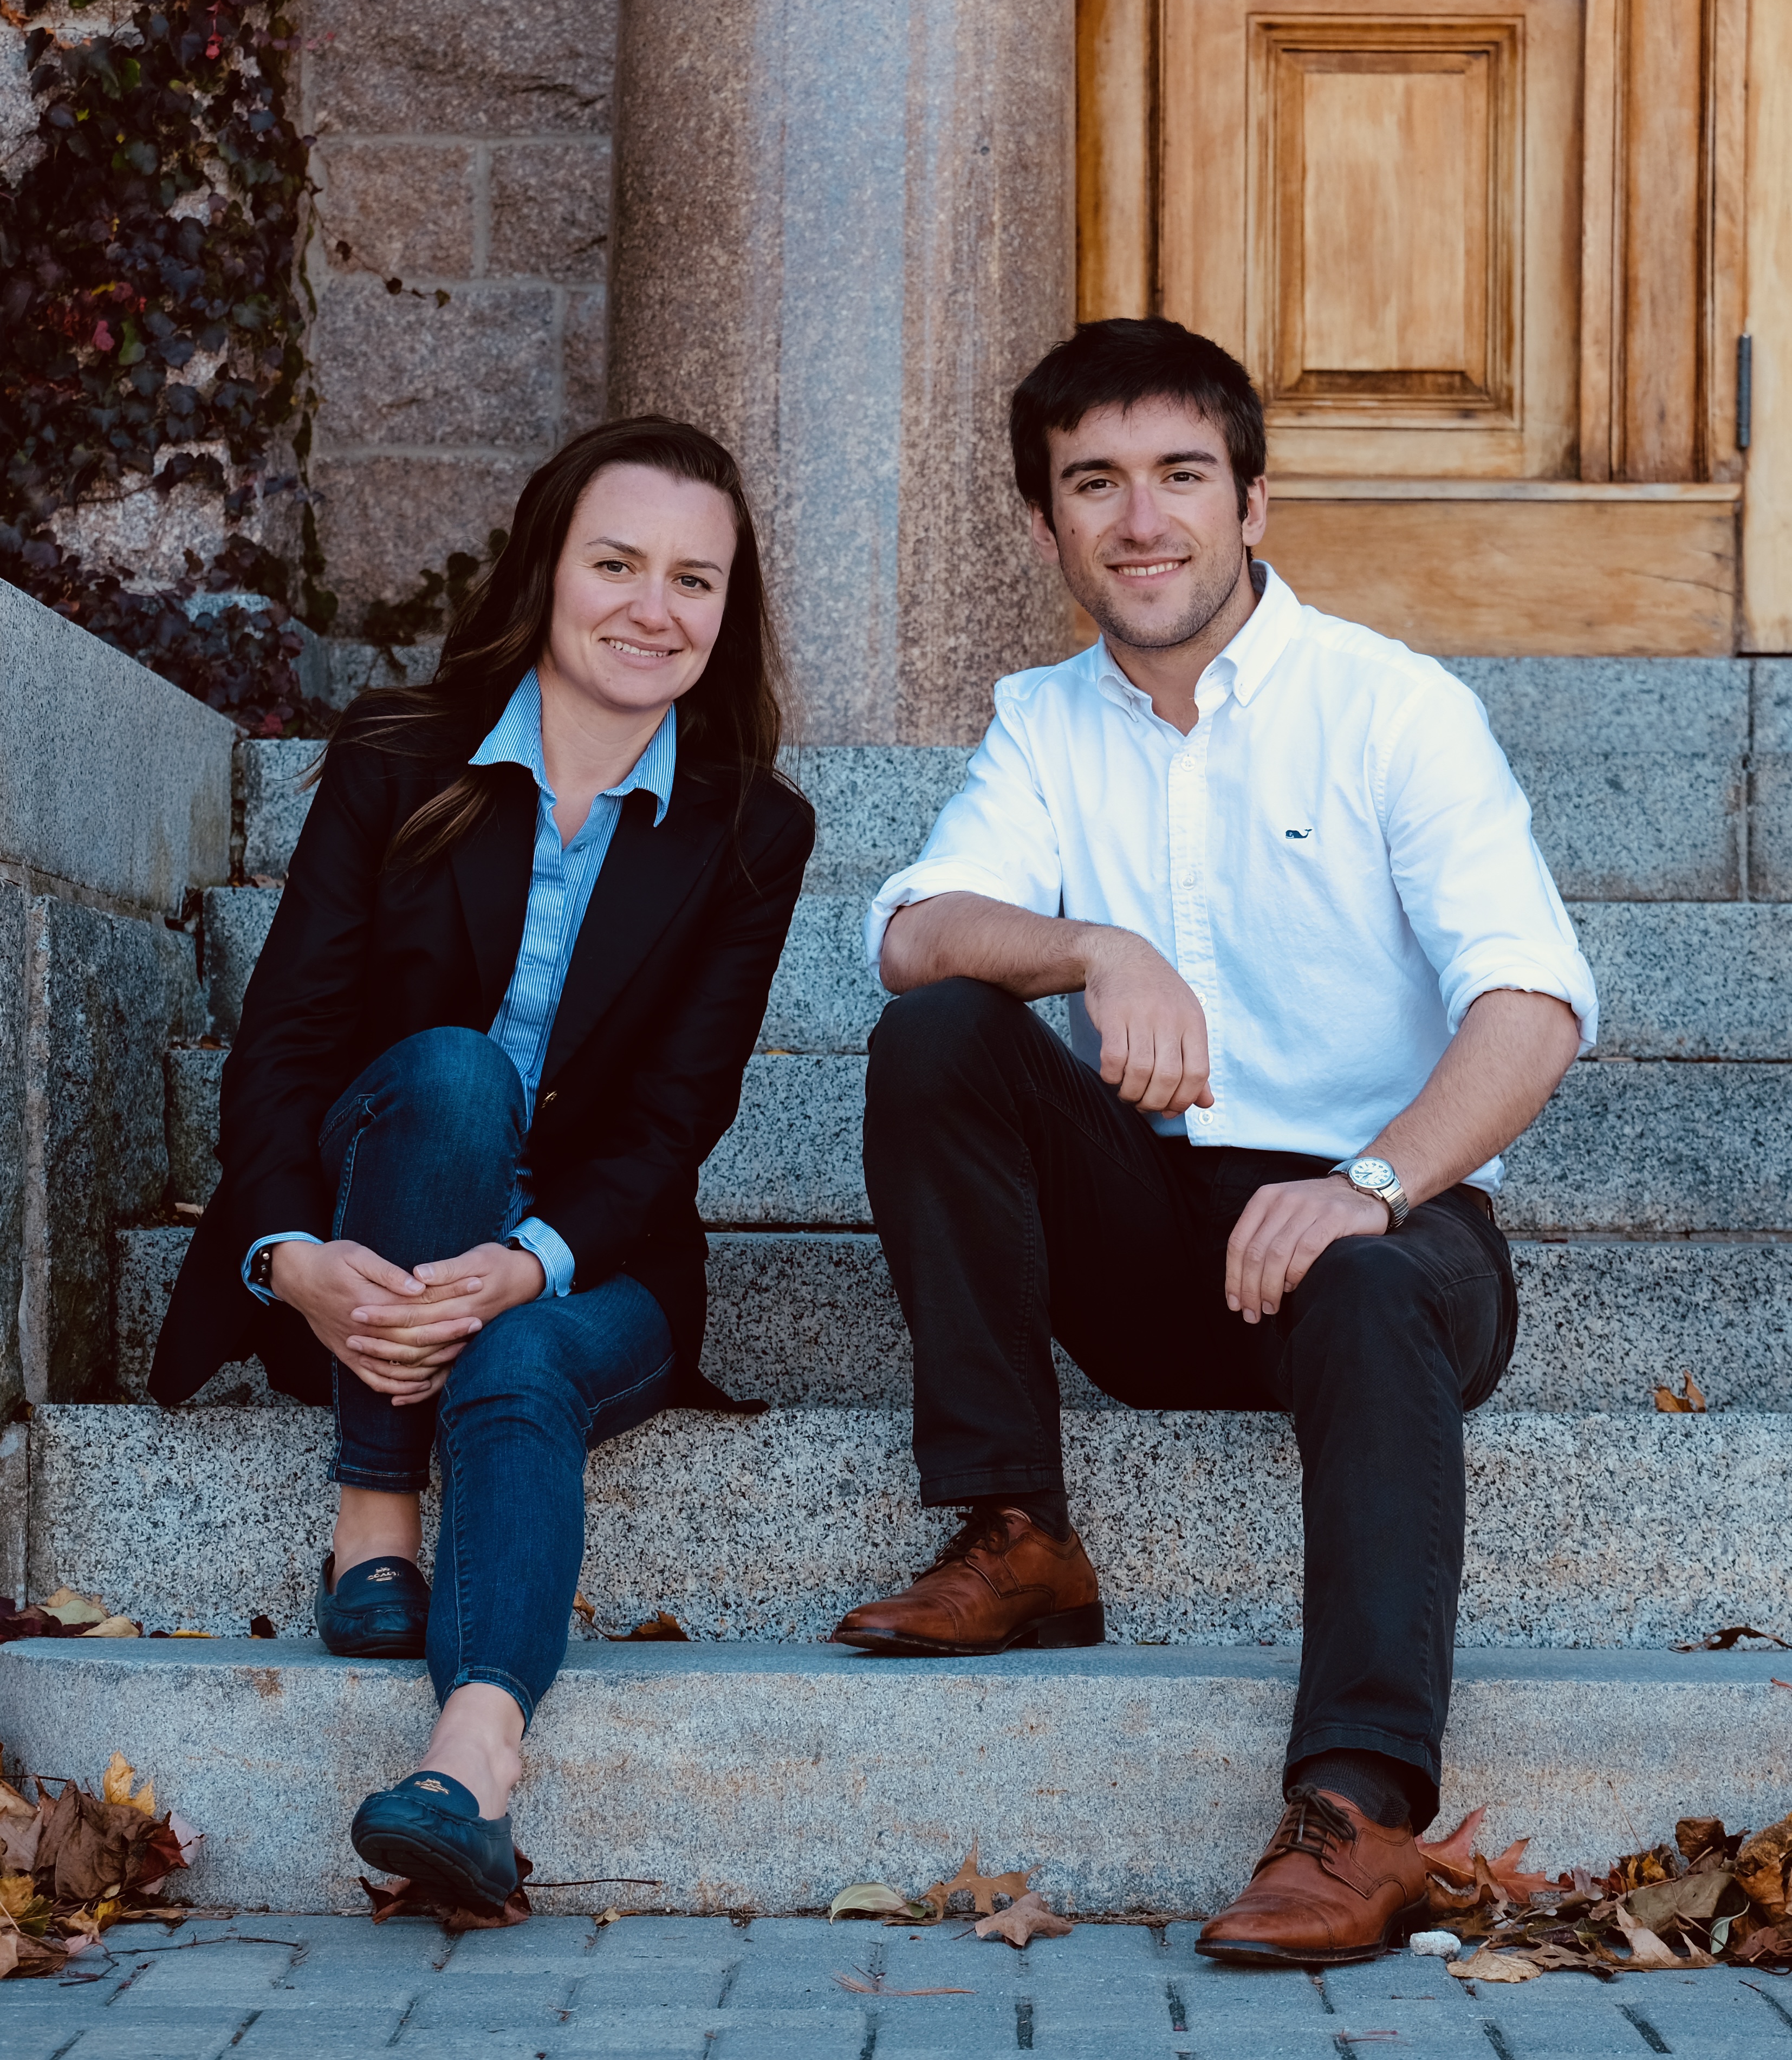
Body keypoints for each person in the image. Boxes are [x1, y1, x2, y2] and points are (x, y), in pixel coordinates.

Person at [829, 317, 1596, 1965]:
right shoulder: (1041, 721)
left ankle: (1355, 1810)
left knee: (1377, 1286)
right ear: (1044, 529)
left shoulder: (1393, 708)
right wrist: (1097, 950)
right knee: (942, 1029)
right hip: (1155, 1231)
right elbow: (909, 933)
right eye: (1091, 484)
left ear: (1252, 503)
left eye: (1180, 474)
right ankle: (1018, 1532)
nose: (1140, 518)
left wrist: (1366, 1183)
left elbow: (1531, 1003)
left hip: (1388, 1226)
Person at [151, 416, 813, 1912]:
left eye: (695, 582)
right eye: (619, 564)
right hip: (375, 1220)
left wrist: (531, 1259)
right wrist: (290, 1259)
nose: (655, 609)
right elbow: (284, 1047)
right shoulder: (398, 752)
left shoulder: (751, 832)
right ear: (546, 568)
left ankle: (471, 1756)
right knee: (453, 1073)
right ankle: (375, 1502)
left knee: (520, 1360)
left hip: (597, 1257)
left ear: (730, 610)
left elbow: (673, 1120)